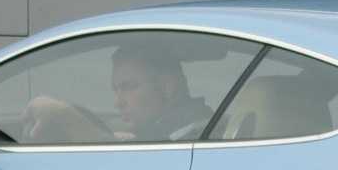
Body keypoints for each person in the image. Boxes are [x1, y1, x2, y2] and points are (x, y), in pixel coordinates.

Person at [20, 43, 212, 143]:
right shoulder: (167, 127)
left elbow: (136, 160)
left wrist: (64, 114)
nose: (117, 102)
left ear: (166, 87)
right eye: (116, 89)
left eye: (129, 87)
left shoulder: (193, 129)